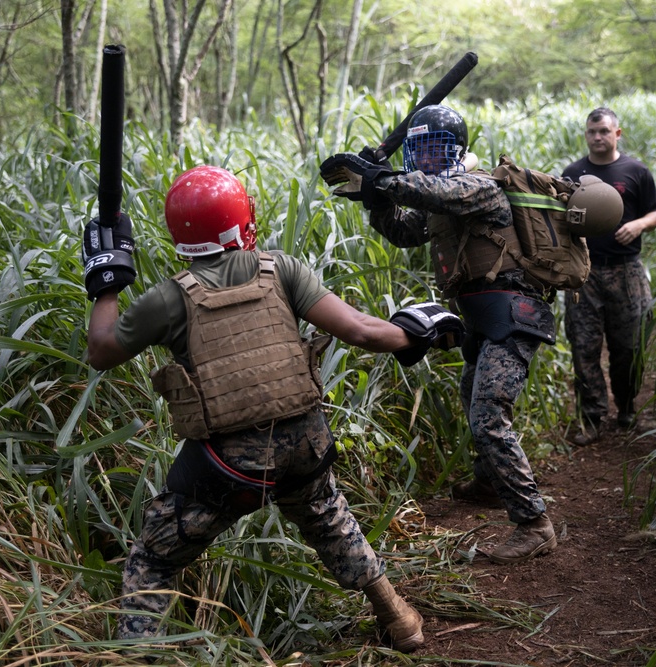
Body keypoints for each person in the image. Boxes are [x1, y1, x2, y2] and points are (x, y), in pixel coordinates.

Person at [82, 165, 465, 654]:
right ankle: (399, 619)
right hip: (305, 445)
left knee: (155, 558)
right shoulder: (280, 269)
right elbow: (363, 332)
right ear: (241, 221)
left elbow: (101, 350)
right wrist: (418, 332)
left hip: (227, 467)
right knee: (328, 516)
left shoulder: (169, 298)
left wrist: (107, 281)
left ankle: (136, 659)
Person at [319, 105, 559, 565]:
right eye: (420, 150)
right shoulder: (438, 199)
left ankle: (534, 523)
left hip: (513, 312)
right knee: (475, 397)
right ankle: (491, 484)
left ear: (459, 151)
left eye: (438, 149)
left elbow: (435, 192)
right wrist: (377, 199)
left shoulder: (478, 186)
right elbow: (403, 231)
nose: (428, 159)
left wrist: (380, 178)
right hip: (482, 317)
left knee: (489, 414)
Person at [561, 107, 656, 446]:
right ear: (586, 134)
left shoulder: (635, 170)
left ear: (617, 133)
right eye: (592, 132)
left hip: (626, 271)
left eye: (604, 131)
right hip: (585, 272)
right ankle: (591, 418)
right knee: (584, 347)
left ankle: (627, 406)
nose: (597, 137)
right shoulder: (573, 172)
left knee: (629, 347)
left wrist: (638, 225)